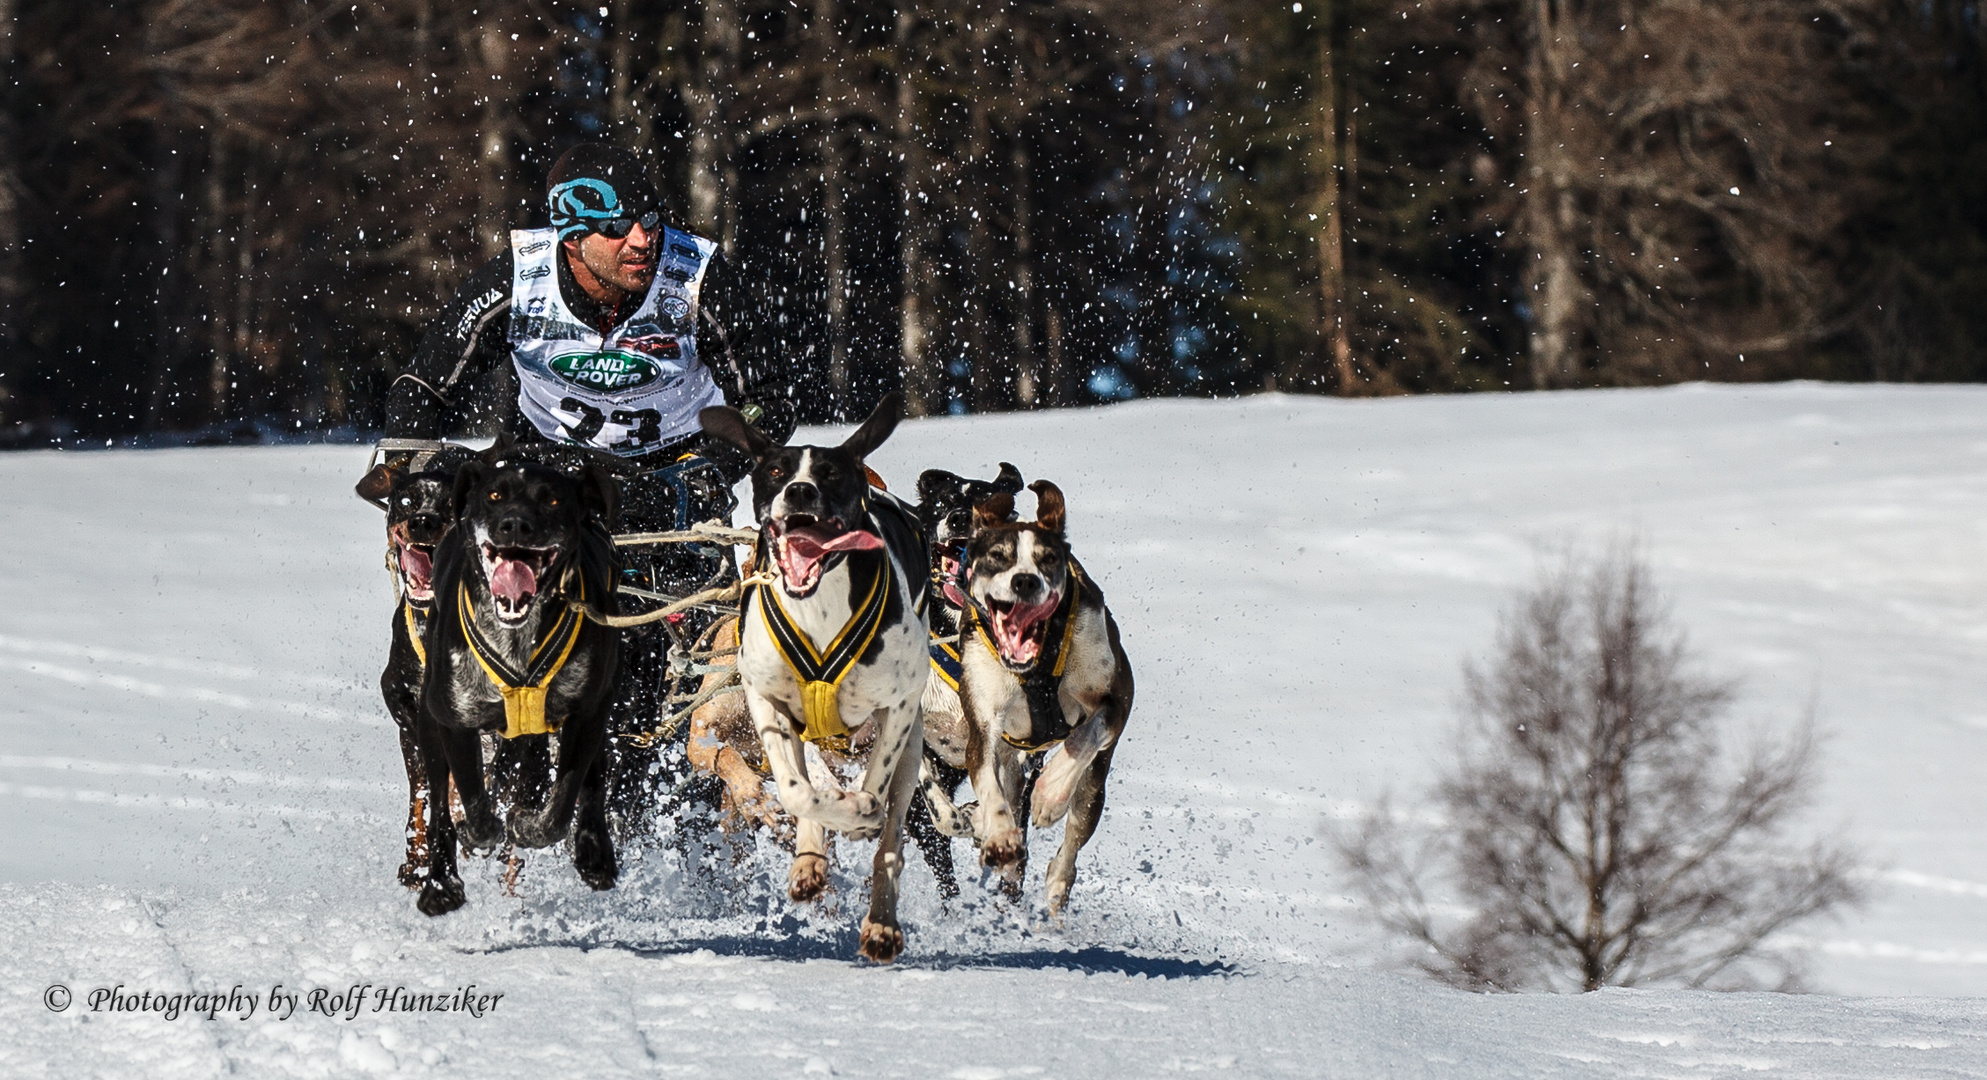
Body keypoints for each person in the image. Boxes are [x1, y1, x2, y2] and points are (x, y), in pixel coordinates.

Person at [383, 142, 794, 494]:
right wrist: (419, 475)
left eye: (650, 218)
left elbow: (772, 401)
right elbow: (423, 388)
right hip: (549, 466)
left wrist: (706, 473)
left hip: (676, 467)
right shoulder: (516, 281)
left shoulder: (701, 277)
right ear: (572, 239)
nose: (642, 240)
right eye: (616, 226)